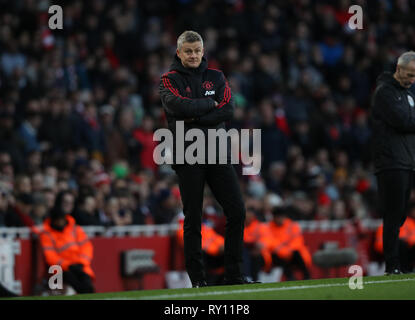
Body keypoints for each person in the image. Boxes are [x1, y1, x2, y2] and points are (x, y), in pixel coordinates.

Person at [159, 30, 253, 286]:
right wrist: (211, 107)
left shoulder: (217, 76)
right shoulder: (169, 79)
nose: (192, 55)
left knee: (237, 211)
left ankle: (234, 274)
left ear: (203, 52)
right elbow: (176, 107)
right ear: (179, 52)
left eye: (196, 50)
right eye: (187, 51)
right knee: (193, 217)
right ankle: (198, 280)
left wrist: (194, 116)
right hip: (188, 154)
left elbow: (229, 110)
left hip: (217, 152)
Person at [370, 51, 415, 275]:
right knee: (393, 214)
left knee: (401, 215)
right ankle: (392, 265)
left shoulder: (408, 94)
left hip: (407, 161)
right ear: (399, 69)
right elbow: (401, 121)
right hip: (390, 161)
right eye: (409, 75)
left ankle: (400, 263)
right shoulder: (384, 93)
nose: (412, 80)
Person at [38, 191, 95, 294]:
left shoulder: (74, 229)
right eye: (57, 219)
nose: (60, 222)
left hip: (79, 265)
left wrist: (81, 263)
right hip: (59, 268)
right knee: (61, 275)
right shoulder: (47, 234)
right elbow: (51, 257)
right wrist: (68, 265)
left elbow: (87, 248)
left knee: (87, 285)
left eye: (61, 219)